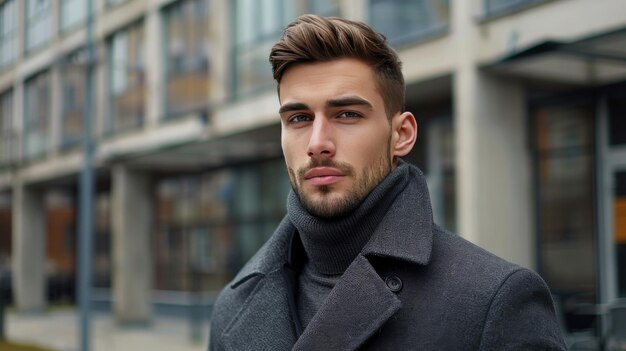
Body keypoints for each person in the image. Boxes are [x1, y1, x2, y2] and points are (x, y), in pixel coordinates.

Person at [209, 14, 566, 350]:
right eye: (299, 118)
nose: (317, 143)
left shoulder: (495, 300)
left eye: (347, 114)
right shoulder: (234, 304)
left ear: (402, 134)